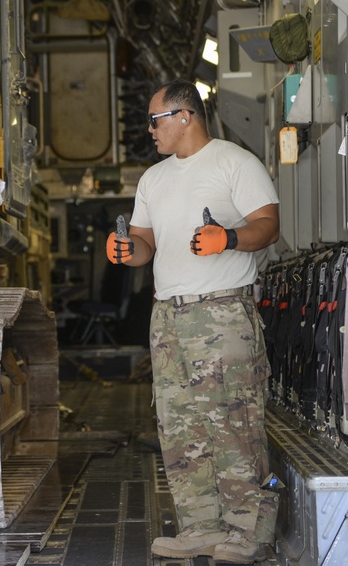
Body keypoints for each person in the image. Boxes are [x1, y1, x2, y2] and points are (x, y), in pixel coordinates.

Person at [105, 79, 280, 564]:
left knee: (233, 422)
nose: (150, 130)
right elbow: (144, 244)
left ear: (186, 116)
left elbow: (267, 224)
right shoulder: (153, 179)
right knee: (180, 425)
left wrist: (227, 238)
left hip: (221, 311)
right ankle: (201, 525)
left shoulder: (234, 162)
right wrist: (124, 250)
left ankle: (250, 532)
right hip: (168, 317)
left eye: (155, 120)